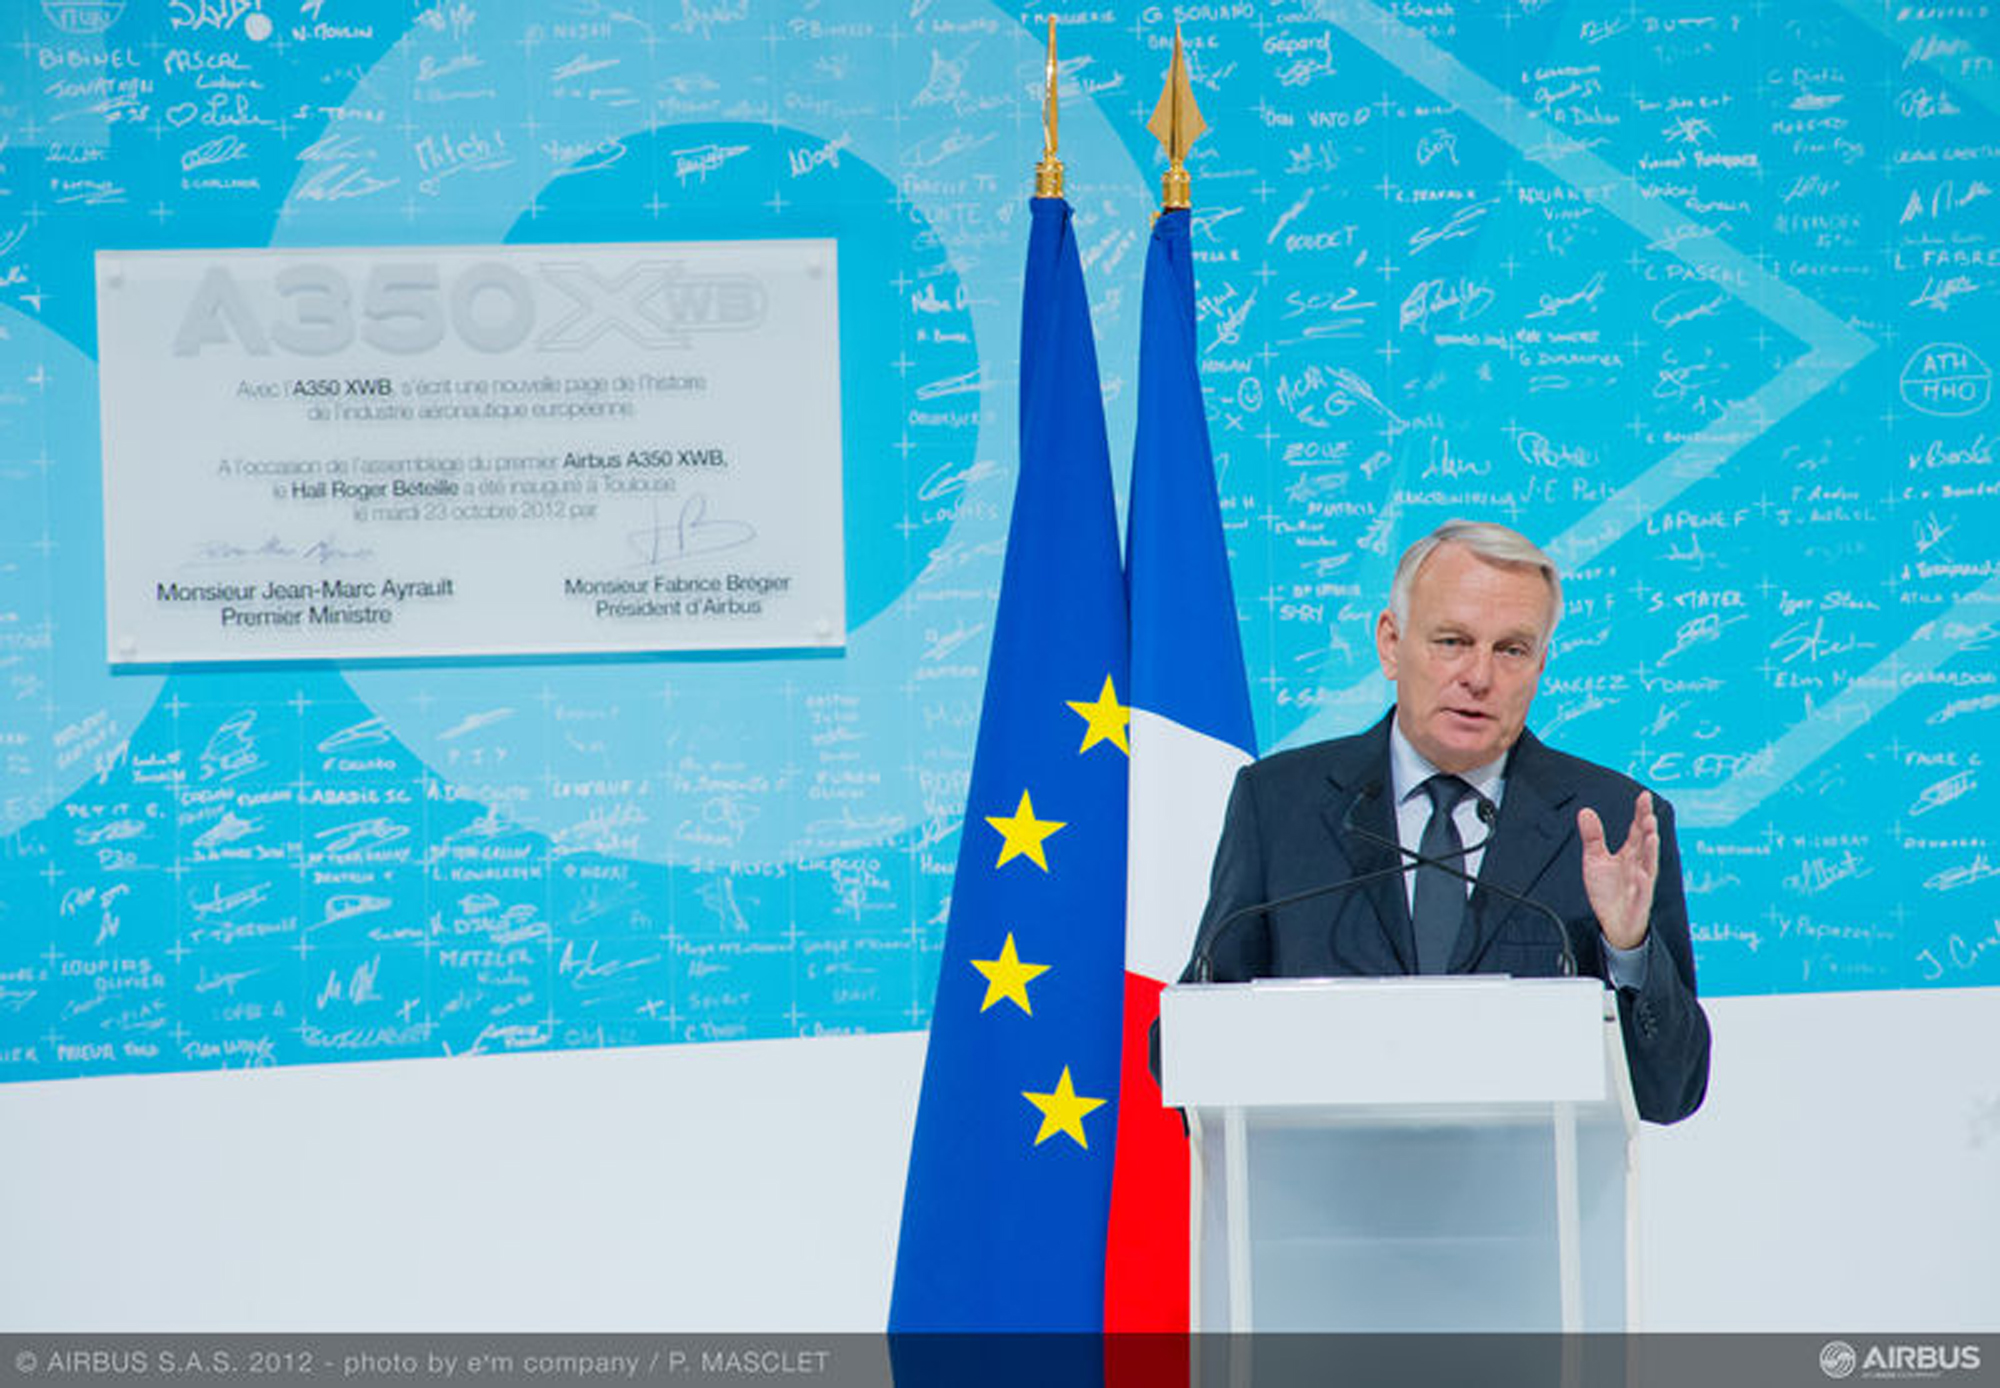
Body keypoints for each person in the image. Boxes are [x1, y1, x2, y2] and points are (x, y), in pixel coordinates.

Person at [1184, 519, 1710, 1123]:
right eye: (1453, 641)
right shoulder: (1279, 804)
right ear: (1390, 643)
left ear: (1541, 663)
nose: (1479, 677)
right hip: (1320, 1175)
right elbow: (1188, 1049)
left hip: (1533, 1182)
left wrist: (1628, 949)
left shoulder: (1614, 823)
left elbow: (1671, 1092)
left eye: (1511, 650)